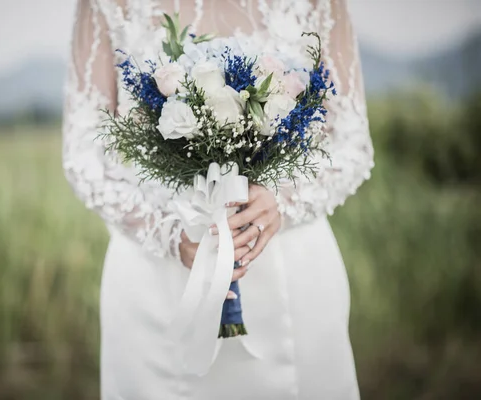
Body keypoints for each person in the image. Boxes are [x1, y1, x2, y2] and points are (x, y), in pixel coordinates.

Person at [63, 0, 374, 399]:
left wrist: (283, 198)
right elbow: (84, 154)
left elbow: (351, 140)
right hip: (155, 280)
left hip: (289, 269)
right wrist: (169, 232)